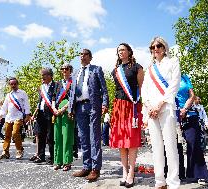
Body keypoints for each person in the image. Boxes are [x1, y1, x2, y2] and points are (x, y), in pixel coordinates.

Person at [142, 36, 181, 189]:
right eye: (153, 47)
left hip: (166, 108)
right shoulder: (149, 69)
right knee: (156, 147)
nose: (155, 49)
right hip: (151, 111)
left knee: (170, 146)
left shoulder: (173, 62)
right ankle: (160, 181)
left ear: (164, 48)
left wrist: (160, 104)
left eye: (158, 46)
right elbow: (144, 90)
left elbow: (174, 85)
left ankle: (173, 182)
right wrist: (149, 106)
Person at [69, 48, 109, 182]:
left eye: (86, 54)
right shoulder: (75, 72)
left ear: (90, 57)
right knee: (83, 137)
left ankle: (95, 169)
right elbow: (72, 93)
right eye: (81, 54)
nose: (83, 56)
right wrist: (70, 108)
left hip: (93, 106)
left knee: (94, 137)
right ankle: (86, 166)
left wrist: (104, 104)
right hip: (79, 107)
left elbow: (104, 89)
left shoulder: (96, 69)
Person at [109, 43, 144, 188]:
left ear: (129, 52)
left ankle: (131, 173)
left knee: (132, 140)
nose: (120, 52)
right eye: (118, 50)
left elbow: (142, 88)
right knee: (121, 142)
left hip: (132, 107)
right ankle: (124, 171)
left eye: (123, 50)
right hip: (118, 107)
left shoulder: (137, 67)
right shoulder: (115, 70)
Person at [176, 74, 208, 185]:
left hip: (189, 113)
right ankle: (178, 174)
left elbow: (192, 95)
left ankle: (197, 174)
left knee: (194, 142)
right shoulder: (164, 77)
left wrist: (184, 109)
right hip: (171, 114)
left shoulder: (184, 77)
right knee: (175, 146)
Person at [0, 77, 31, 160]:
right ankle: (5, 152)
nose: (13, 85)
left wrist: (27, 115)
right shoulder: (9, 95)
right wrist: (1, 115)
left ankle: (19, 149)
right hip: (9, 117)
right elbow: (4, 107)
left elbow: (26, 104)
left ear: (17, 84)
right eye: (12, 84)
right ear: (9, 85)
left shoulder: (22, 93)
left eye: (15, 84)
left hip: (18, 116)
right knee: (7, 135)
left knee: (15, 133)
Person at [29, 68, 56, 164]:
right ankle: (41, 156)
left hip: (50, 112)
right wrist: (35, 113)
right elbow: (40, 101)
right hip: (40, 113)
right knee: (40, 134)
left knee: (50, 136)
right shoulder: (41, 87)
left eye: (44, 75)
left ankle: (53, 157)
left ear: (49, 75)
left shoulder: (56, 85)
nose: (42, 77)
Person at [52, 63, 75, 171]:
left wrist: (64, 108)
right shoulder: (57, 83)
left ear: (70, 70)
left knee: (66, 137)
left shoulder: (74, 82)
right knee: (57, 137)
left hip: (67, 110)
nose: (64, 70)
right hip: (56, 112)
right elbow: (53, 97)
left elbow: (73, 97)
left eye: (66, 69)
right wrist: (54, 109)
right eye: (62, 69)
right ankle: (57, 161)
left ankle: (67, 162)